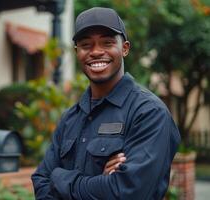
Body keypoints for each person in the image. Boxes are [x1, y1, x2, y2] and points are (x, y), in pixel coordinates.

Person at [31, 7, 181, 200]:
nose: (96, 52)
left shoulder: (149, 113)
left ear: (124, 48)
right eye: (86, 45)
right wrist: (100, 183)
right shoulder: (70, 118)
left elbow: (128, 192)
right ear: (77, 52)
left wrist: (60, 179)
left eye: (107, 43)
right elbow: (41, 183)